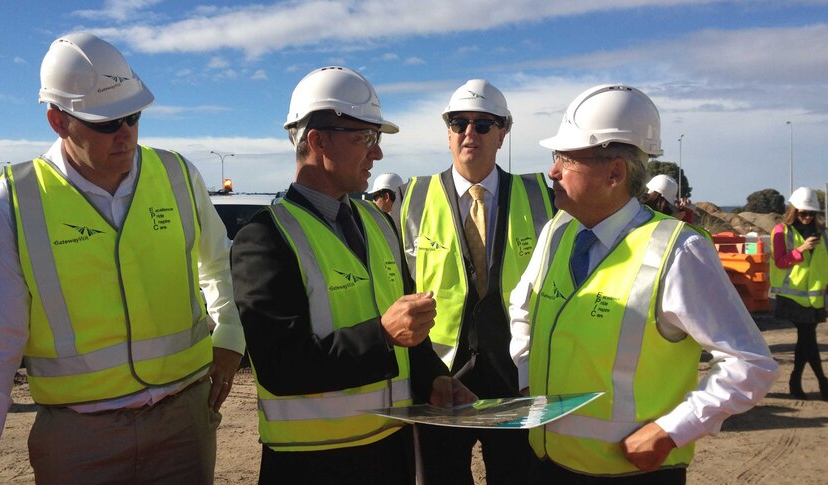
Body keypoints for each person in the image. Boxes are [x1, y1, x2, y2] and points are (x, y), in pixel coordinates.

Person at [0, 33, 244, 484]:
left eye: (133, 116)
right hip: (78, 442)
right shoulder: (13, 205)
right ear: (57, 120)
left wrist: (230, 334)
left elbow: (219, 264)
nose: (126, 134)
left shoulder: (177, 176)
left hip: (183, 424)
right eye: (106, 122)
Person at [509, 84, 778, 483]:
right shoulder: (557, 232)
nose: (553, 171)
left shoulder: (677, 251)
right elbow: (523, 309)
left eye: (567, 158)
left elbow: (750, 363)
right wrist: (527, 378)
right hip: (547, 464)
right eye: (556, 157)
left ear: (615, 172)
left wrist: (672, 431)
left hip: (631, 473)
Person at [230, 66, 475, 485]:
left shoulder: (378, 223)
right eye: (365, 138)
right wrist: (380, 334)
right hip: (312, 465)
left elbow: (407, 332)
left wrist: (434, 376)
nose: (377, 154)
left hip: (391, 453)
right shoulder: (265, 237)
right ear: (317, 140)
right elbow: (279, 367)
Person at [393, 79, 554, 484]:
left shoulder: (541, 197)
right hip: (440, 374)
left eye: (484, 125)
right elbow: (397, 286)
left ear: (503, 132)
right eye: (459, 122)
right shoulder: (410, 198)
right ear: (447, 131)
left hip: (516, 372)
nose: (470, 133)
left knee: (520, 475)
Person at [770, 186, 828, 400]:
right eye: (803, 213)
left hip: (814, 297)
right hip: (792, 296)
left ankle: (796, 382)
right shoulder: (781, 231)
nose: (807, 217)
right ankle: (823, 382)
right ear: (794, 211)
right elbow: (780, 261)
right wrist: (801, 249)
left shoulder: (823, 234)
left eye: (811, 213)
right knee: (808, 338)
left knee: (806, 341)